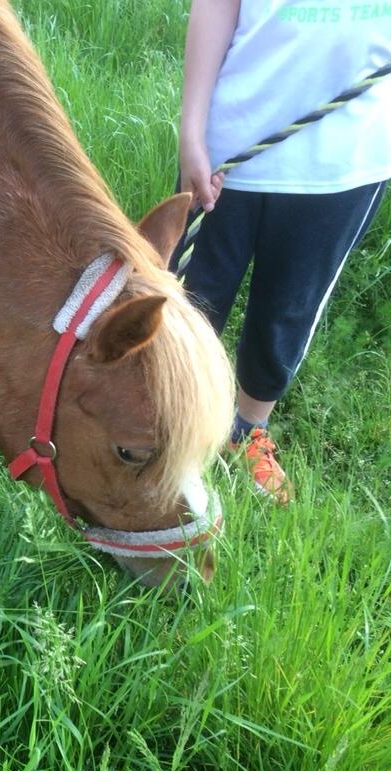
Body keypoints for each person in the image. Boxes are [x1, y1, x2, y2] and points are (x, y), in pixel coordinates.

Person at [175, 0, 391, 503]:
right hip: (230, 147)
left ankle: (246, 430)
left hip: (345, 162)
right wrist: (192, 130)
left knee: (289, 310)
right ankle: (170, 420)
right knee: (189, 301)